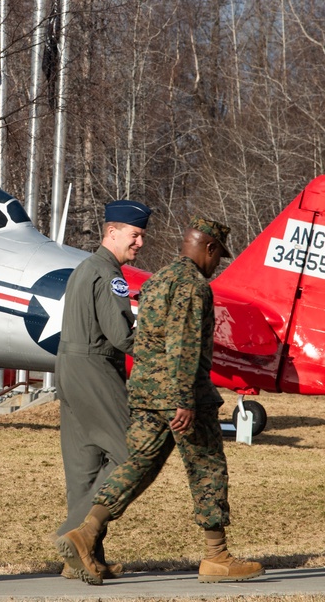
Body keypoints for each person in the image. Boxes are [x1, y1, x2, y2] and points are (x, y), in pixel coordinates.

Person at [55, 217, 264, 586]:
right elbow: (182, 346)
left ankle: (86, 533)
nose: (218, 264)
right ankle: (216, 556)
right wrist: (184, 398)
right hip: (183, 395)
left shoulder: (157, 280)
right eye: (219, 256)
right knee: (208, 469)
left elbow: (147, 340)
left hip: (147, 393)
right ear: (210, 248)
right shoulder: (192, 287)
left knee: (136, 465)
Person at [54, 199, 151, 580]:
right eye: (135, 235)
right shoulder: (110, 275)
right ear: (112, 233)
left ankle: (81, 558)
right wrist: (157, 334)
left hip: (69, 366)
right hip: (95, 367)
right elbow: (122, 337)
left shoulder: (84, 267)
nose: (140, 243)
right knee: (133, 454)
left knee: (84, 467)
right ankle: (72, 537)